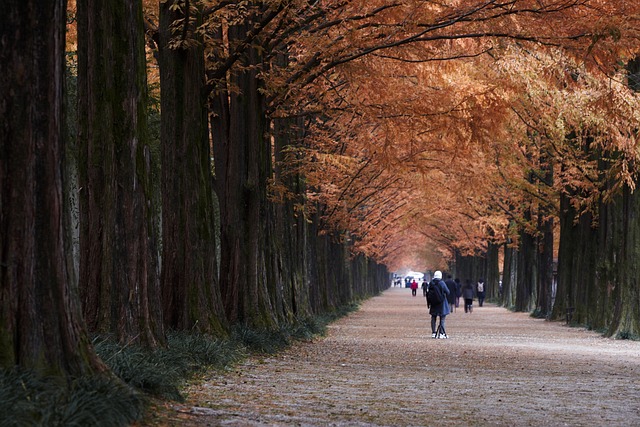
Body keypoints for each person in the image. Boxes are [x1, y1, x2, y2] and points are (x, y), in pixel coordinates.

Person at [426, 270, 450, 338]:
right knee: (442, 318)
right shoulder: (442, 283)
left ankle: (433, 332)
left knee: (433, 317)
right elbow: (447, 292)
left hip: (433, 303)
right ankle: (441, 333)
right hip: (441, 303)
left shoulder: (431, 283)